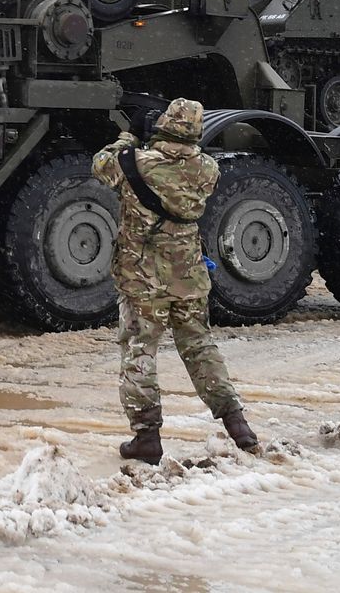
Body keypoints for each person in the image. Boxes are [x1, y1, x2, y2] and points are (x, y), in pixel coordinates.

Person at [92, 97, 258, 463]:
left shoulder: (136, 162)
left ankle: (147, 436)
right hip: (189, 277)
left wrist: (129, 135)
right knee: (199, 347)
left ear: (163, 125)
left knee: (140, 351)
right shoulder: (208, 169)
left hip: (142, 278)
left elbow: (101, 164)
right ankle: (237, 424)